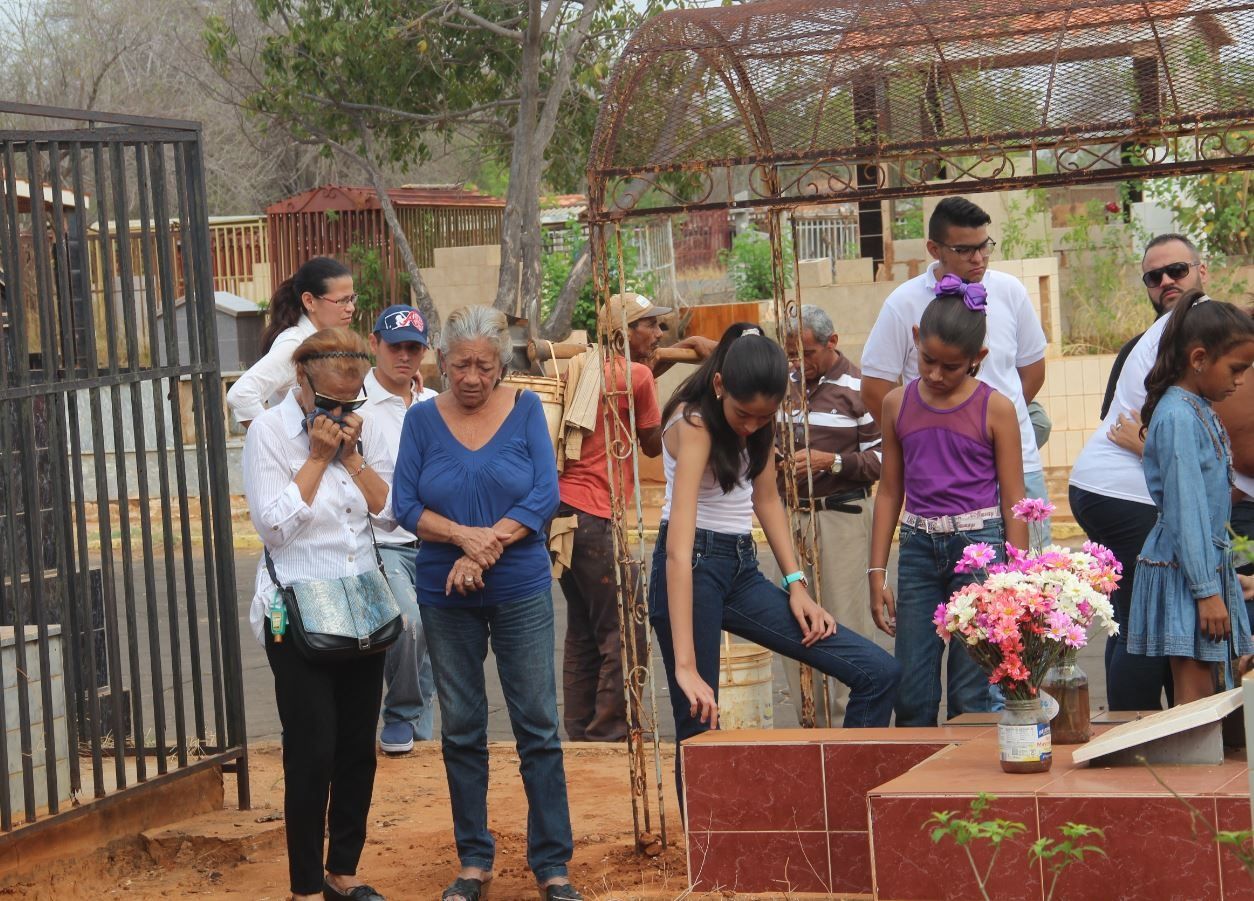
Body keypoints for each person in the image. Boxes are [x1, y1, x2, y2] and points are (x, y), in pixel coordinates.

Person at [649, 323, 900, 802]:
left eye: (763, 418)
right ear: (720, 385)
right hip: (689, 566)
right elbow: (679, 548)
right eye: (744, 415)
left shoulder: (761, 423)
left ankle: (847, 810)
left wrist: (797, 585)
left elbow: (767, 501)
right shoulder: (694, 424)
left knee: (876, 671)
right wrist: (684, 665)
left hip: (741, 568)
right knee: (698, 719)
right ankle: (705, 864)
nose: (751, 426)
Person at [392, 305, 583, 901]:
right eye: (460, 364)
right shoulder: (421, 421)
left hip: (519, 586)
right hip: (443, 593)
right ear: (442, 361)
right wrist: (461, 539)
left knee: (537, 725)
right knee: (463, 727)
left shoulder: (526, 409)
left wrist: (482, 549)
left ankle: (552, 864)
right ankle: (473, 860)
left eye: (484, 365)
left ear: (502, 364)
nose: (471, 377)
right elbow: (403, 505)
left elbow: (545, 494)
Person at [242, 327, 390, 901]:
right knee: (313, 748)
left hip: (361, 605)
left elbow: (389, 512)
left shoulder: (357, 430)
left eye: (350, 403)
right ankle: (304, 885)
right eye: (329, 400)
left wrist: (350, 457)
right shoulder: (270, 435)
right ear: (300, 381)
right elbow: (274, 526)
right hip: (294, 612)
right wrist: (317, 458)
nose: (340, 412)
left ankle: (342, 871)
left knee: (358, 746)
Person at [557, 292, 715, 743]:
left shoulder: (584, 367)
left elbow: (628, 388)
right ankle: (609, 730)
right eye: (652, 326)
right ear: (626, 332)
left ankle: (581, 729)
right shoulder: (638, 375)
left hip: (563, 512)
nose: (661, 335)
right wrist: (698, 370)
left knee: (584, 629)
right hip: (596, 514)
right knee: (624, 628)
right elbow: (651, 442)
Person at [868, 292, 1029, 727]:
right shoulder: (897, 404)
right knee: (912, 688)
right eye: (927, 361)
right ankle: (916, 789)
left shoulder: (995, 408)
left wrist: (1017, 582)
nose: (936, 375)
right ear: (916, 339)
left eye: (952, 367)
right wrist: (877, 571)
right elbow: (888, 491)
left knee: (973, 689)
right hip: (918, 550)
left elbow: (1015, 498)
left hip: (979, 552)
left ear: (979, 356)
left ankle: (971, 792)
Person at [1069, 234, 1209, 710]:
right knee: (1150, 618)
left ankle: (1145, 731)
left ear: (1201, 271)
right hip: (1125, 493)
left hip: (1117, 492)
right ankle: (1134, 736)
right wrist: (1149, 448)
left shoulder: (1186, 326)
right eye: (1156, 276)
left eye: (1178, 272)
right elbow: (1124, 428)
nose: (1168, 281)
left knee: (1138, 615)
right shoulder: (1189, 328)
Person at [860, 197, 1051, 539]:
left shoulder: (1010, 292)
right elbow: (876, 388)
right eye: (965, 250)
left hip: (1019, 466)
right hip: (941, 475)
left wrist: (992, 427)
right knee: (953, 583)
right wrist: (924, 437)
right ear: (935, 249)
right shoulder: (903, 303)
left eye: (984, 246)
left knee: (1031, 582)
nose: (978, 258)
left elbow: (1032, 370)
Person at [1127, 291, 1254, 704]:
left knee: (1221, 689)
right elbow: (1186, 510)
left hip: (1200, 567)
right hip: (1185, 572)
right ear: (1199, 359)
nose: (1240, 380)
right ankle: (1192, 771)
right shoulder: (1179, 415)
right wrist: (1205, 589)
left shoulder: (1196, 406)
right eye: (1237, 369)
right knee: (1197, 699)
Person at [780, 304, 886, 726]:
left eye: (805, 354)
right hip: (793, 519)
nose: (798, 364)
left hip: (842, 516)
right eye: (790, 355)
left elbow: (886, 458)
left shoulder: (860, 387)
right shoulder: (783, 384)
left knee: (844, 623)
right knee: (794, 619)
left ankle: (851, 726)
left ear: (832, 343)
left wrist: (833, 462)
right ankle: (811, 722)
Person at [360, 305, 438, 755]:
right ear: (375, 344)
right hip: (381, 541)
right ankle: (404, 714)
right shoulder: (357, 402)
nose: (404, 356)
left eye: (413, 347)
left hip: (435, 537)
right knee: (409, 623)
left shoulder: (433, 404)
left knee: (436, 636)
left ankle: (420, 741)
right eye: (395, 346)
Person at [227, 256, 357, 427]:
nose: (351, 308)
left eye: (352, 298)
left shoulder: (326, 341)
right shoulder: (295, 345)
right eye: (342, 301)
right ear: (309, 301)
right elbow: (240, 395)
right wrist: (277, 440)